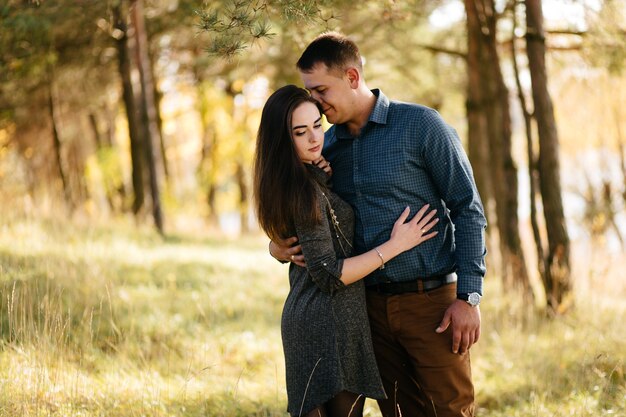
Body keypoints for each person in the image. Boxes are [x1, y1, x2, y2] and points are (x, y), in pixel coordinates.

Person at [269, 33, 487, 417]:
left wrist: (468, 297)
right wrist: (275, 246)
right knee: (399, 412)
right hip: (366, 309)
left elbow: (467, 207)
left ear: (352, 77)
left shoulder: (420, 126)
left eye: (320, 89)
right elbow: (298, 206)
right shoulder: (326, 145)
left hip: (430, 304)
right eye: (309, 91)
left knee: (450, 410)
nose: (314, 103)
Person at [254, 85, 439, 417]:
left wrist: (320, 177)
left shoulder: (304, 180)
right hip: (323, 319)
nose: (314, 138)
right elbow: (328, 274)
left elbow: (314, 234)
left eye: (317, 126)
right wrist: (395, 246)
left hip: (333, 317)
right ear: (284, 140)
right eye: (300, 132)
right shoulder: (304, 191)